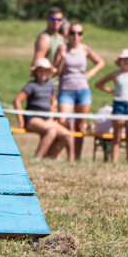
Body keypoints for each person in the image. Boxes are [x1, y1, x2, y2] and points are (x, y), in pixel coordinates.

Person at [53, 22, 105, 161]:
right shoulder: (62, 48)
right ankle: (57, 153)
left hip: (83, 90)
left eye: (79, 33)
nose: (76, 36)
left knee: (80, 125)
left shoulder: (85, 49)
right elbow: (55, 71)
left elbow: (100, 62)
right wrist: (63, 58)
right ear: (68, 34)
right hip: (66, 90)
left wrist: (90, 74)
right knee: (63, 122)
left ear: (81, 36)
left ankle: (76, 157)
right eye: (73, 33)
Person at [94, 49, 128, 164]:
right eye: (123, 60)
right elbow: (98, 84)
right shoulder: (115, 74)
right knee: (116, 137)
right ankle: (114, 162)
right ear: (119, 61)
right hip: (118, 105)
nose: (125, 62)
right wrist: (111, 91)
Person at [13, 57, 74, 161]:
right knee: (51, 131)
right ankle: (38, 158)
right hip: (32, 118)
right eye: (41, 70)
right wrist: (21, 120)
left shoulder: (50, 85)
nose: (43, 73)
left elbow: (52, 103)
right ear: (36, 72)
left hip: (46, 118)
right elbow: (17, 101)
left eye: (46, 70)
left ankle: (50, 157)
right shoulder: (30, 85)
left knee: (67, 135)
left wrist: (51, 117)